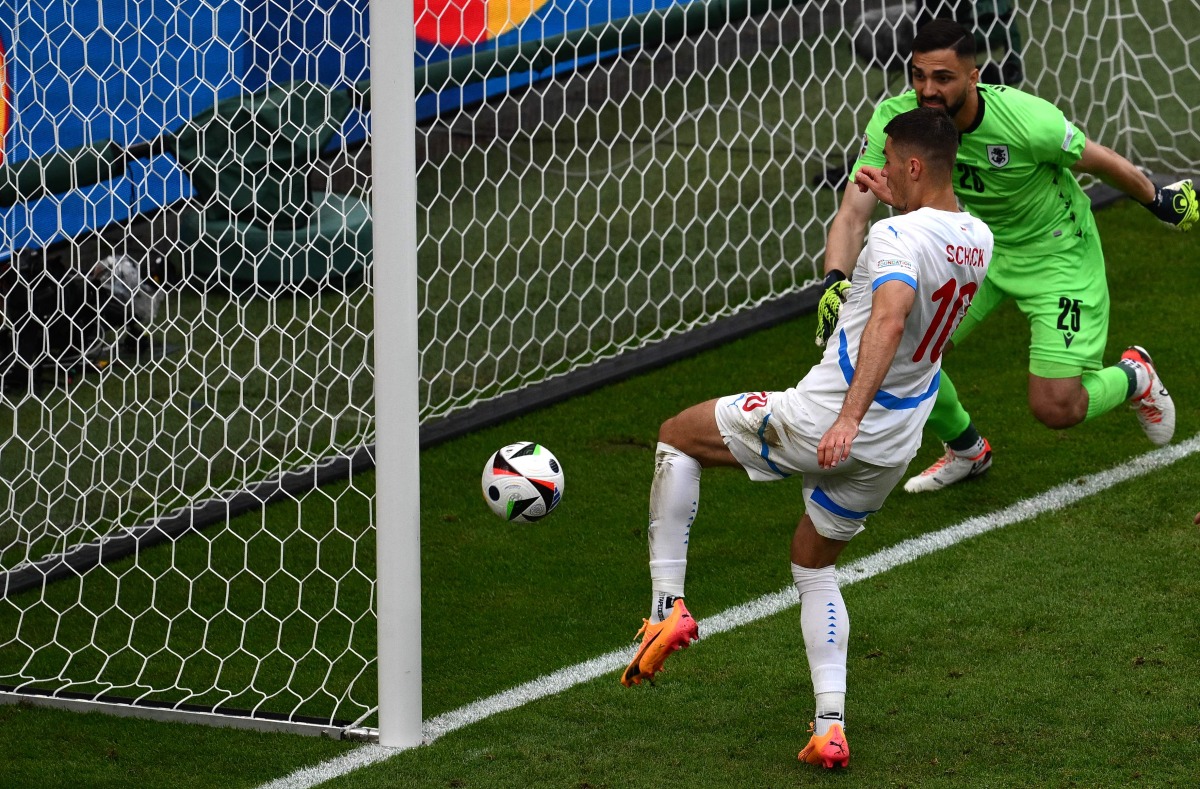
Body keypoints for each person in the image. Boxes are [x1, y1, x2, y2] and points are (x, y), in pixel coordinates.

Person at [620, 106, 994, 770]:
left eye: (887, 161)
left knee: (677, 437)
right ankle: (829, 725)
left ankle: (664, 606)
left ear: (911, 165)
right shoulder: (978, 238)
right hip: (896, 440)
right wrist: (874, 208)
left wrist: (846, 416)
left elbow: (890, 315)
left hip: (826, 418)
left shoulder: (896, 242)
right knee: (812, 561)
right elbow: (909, 277)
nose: (874, 170)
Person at [815, 20, 1195, 494]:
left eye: (943, 78)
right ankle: (968, 449)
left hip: (1058, 256)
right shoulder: (899, 124)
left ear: (973, 77)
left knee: (1056, 408)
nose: (927, 91)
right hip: (977, 251)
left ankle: (1134, 375)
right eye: (918, 76)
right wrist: (834, 279)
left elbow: (1098, 159)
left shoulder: (1025, 120)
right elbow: (853, 213)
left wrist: (1156, 198)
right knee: (900, 354)